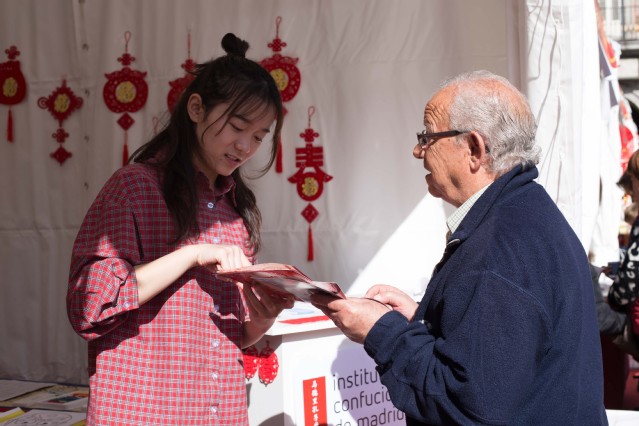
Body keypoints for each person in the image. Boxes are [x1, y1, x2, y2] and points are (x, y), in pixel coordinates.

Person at [312, 70, 607, 425]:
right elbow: (503, 355)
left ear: (474, 149)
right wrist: (424, 321)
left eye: (427, 136)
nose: (417, 150)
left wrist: (382, 331)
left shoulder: (500, 244)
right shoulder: (527, 213)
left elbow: (467, 405)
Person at [66, 33, 294, 425]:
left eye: (259, 136)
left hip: (219, 412)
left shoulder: (235, 208)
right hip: (145, 413)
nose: (245, 146)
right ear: (196, 108)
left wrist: (262, 320)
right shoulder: (135, 187)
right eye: (238, 127)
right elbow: (90, 307)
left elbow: (229, 336)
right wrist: (192, 254)